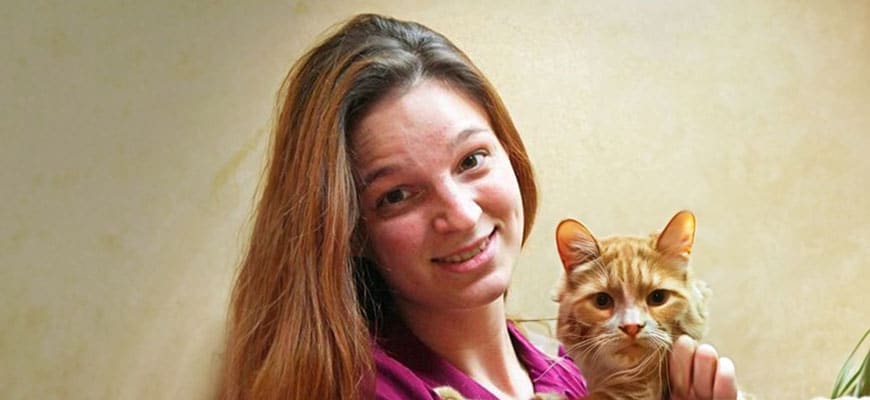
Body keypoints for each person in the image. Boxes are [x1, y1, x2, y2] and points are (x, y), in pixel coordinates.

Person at [218, 13, 739, 400]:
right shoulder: (367, 389)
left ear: (510, 154)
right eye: (397, 195)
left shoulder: (565, 370)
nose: (462, 215)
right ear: (349, 229)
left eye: (471, 159)